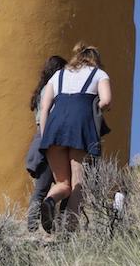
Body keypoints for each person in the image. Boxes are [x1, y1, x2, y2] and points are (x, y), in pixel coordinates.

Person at [38, 43, 112, 231]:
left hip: (54, 127)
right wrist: (97, 109)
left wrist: (45, 136)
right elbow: (106, 100)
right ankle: (70, 230)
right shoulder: (99, 74)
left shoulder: (58, 75)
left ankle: (49, 201)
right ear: (95, 60)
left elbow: (44, 108)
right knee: (79, 183)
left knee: (62, 183)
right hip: (80, 126)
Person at [24, 55, 67, 231]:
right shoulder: (53, 90)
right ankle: (49, 224)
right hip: (52, 137)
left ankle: (32, 225)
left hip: (40, 137)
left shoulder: (41, 90)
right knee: (63, 183)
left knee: (42, 187)